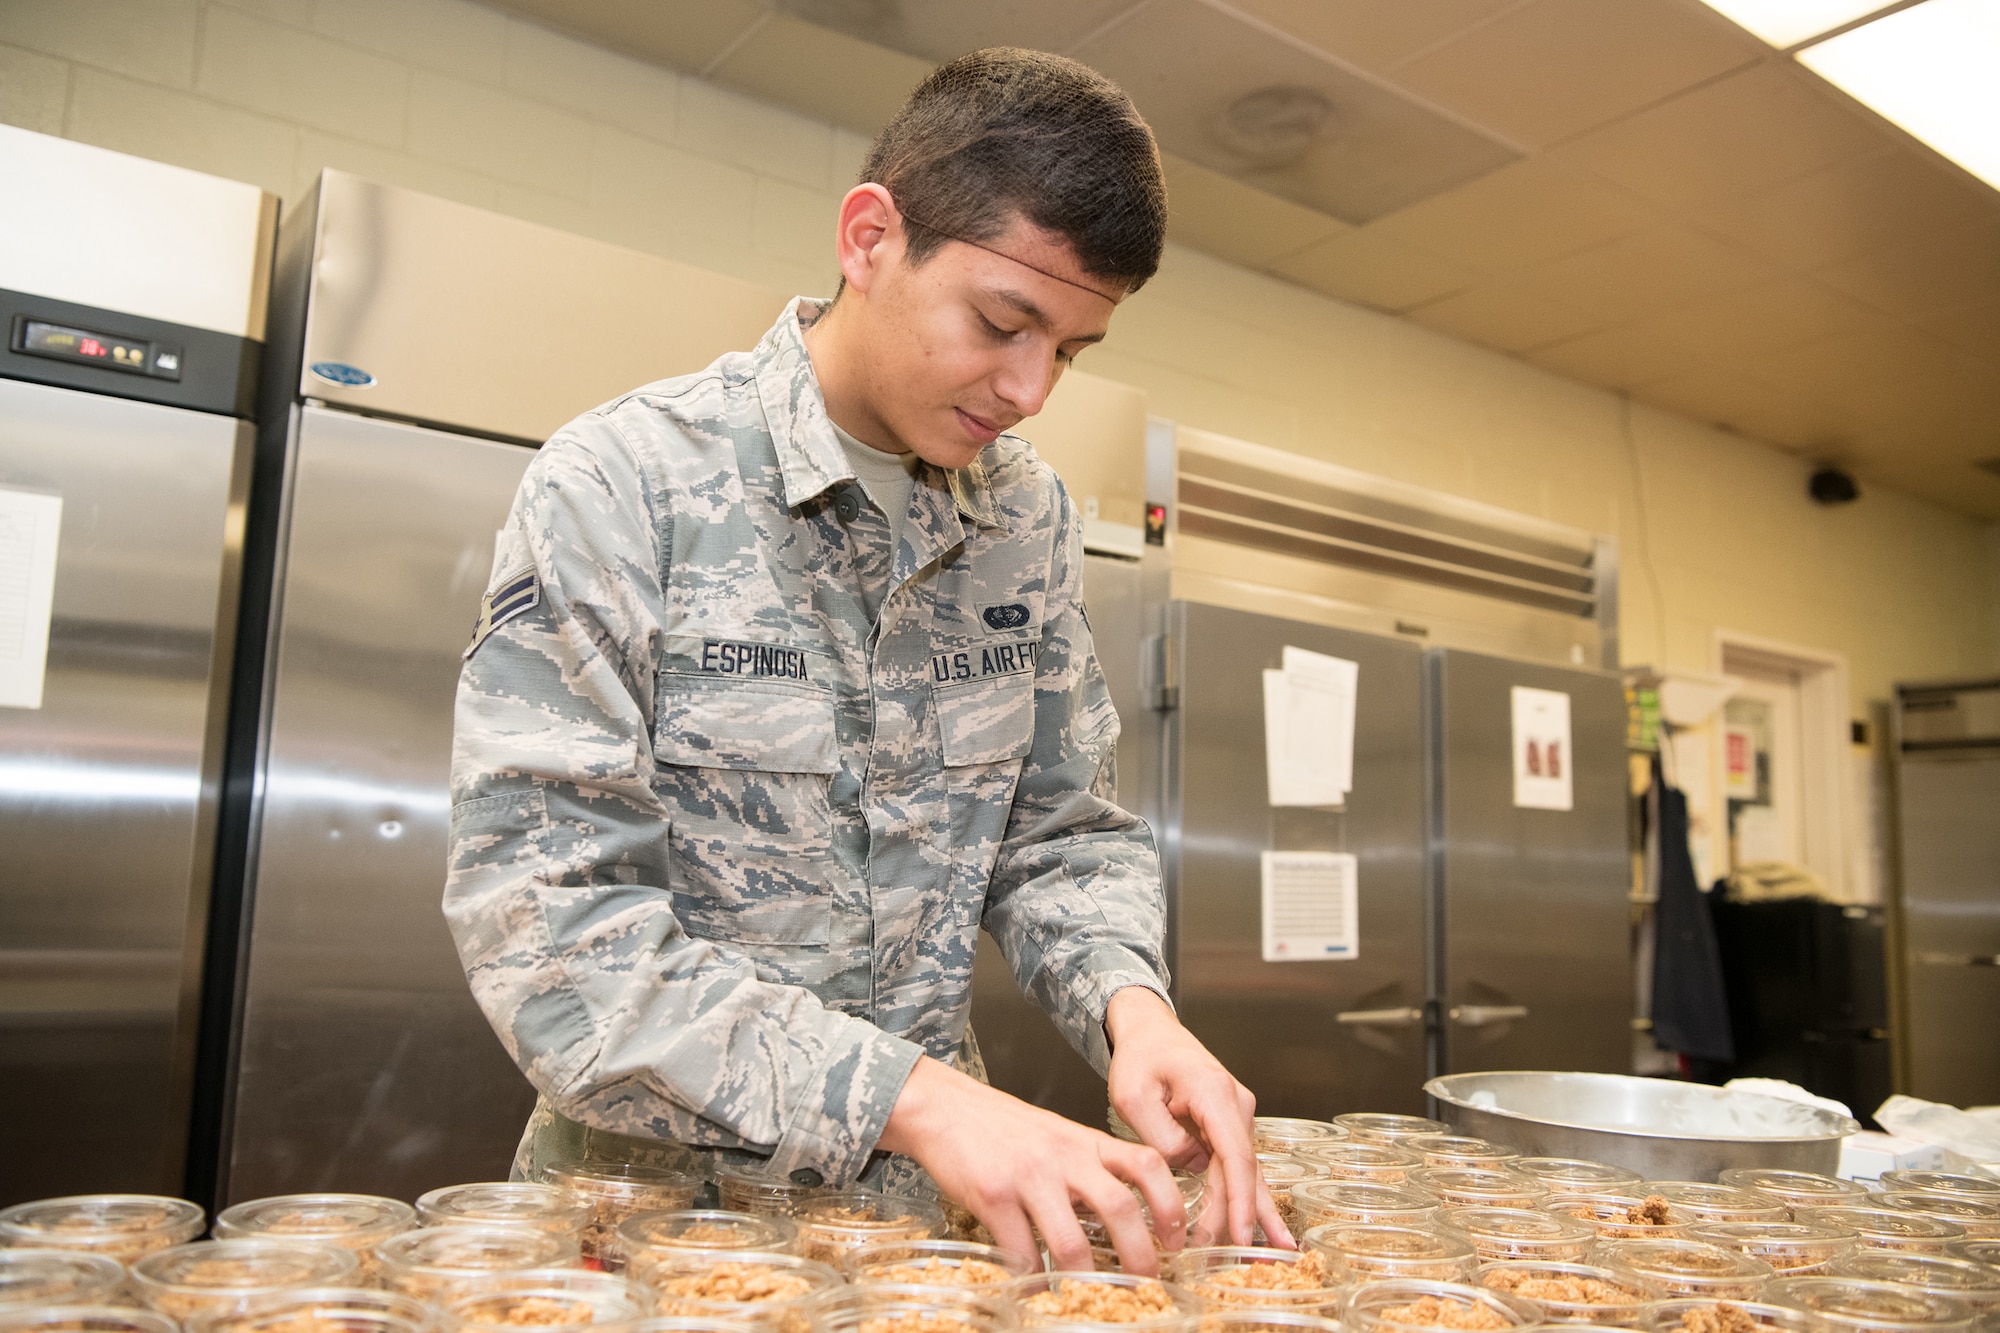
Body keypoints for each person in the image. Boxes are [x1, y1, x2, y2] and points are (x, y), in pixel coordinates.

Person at [444, 46, 1286, 1274]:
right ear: (868, 236)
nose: (1029, 388)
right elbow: (555, 941)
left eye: (1071, 350)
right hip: (644, 1241)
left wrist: (1132, 1008)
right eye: (1002, 324)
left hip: (919, 1248)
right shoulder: (625, 482)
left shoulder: (1025, 518)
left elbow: (1055, 830)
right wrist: (924, 1099)